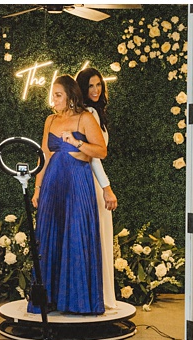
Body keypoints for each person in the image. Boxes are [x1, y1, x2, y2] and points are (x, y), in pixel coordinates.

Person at [29, 75, 105, 316]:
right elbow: (44, 156)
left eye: (58, 95)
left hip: (77, 182)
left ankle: (79, 302)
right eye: (53, 95)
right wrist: (37, 188)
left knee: (76, 235)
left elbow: (101, 151)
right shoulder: (50, 120)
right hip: (53, 183)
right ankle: (48, 300)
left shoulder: (85, 118)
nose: (54, 99)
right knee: (50, 236)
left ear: (71, 96)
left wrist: (77, 143)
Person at [75, 68, 118, 311]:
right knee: (98, 235)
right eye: (90, 86)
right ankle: (100, 297)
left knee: (97, 235)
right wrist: (106, 188)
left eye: (98, 85)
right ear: (82, 88)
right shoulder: (89, 113)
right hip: (90, 181)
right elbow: (94, 158)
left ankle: (96, 295)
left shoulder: (93, 112)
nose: (96, 90)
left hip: (90, 179)